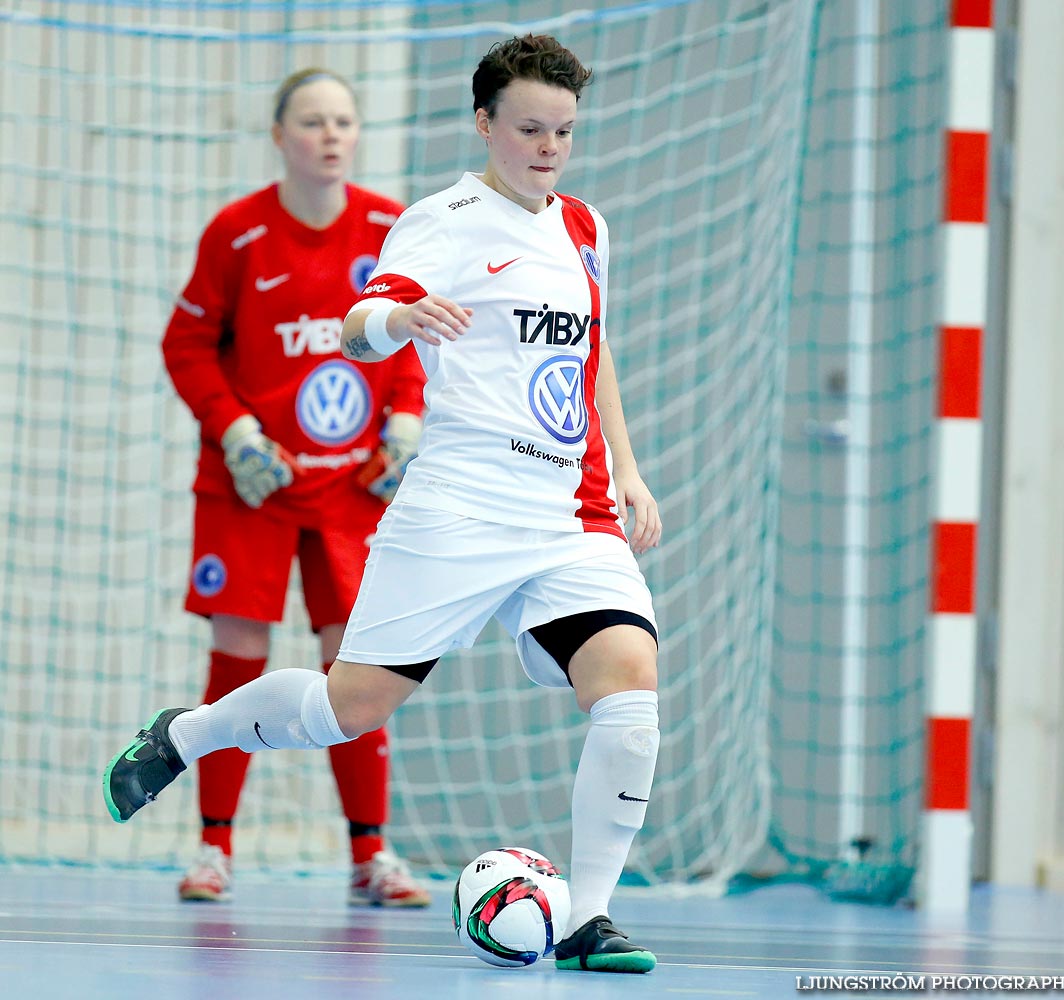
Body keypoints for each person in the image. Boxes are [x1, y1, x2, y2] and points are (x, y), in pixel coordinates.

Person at [105, 35, 661, 973]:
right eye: (530, 128)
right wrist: (396, 322)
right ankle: (186, 735)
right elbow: (367, 321)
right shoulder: (440, 219)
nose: (549, 147)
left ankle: (587, 919)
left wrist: (631, 469)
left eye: (564, 130)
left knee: (630, 692)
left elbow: (592, 355)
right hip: (455, 509)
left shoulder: (585, 228)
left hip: (569, 515)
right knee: (348, 706)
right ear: (485, 123)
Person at [156, 67, 431, 908]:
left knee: (356, 669)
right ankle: (213, 850)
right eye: (312, 121)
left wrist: (407, 425)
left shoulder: (390, 226)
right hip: (252, 489)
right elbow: (187, 345)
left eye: (343, 121)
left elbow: (416, 340)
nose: (330, 135)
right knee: (236, 659)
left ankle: (370, 856)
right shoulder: (236, 235)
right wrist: (237, 432)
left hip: (353, 491)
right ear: (280, 136)